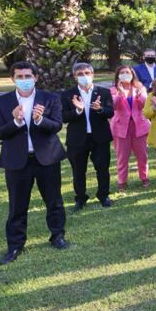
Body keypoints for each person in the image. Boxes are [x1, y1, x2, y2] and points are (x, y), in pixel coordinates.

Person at [0, 61, 70, 264]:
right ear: (13, 79)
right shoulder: (0, 102)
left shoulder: (50, 98)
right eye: (20, 76)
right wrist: (16, 121)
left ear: (36, 77)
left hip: (47, 159)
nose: (24, 80)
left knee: (54, 201)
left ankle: (57, 236)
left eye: (28, 76)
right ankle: (15, 246)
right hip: (17, 162)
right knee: (17, 205)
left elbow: (57, 125)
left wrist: (39, 120)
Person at [61, 62, 114, 210]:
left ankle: (103, 195)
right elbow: (63, 117)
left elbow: (110, 112)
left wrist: (100, 109)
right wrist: (78, 111)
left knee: (103, 168)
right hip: (77, 139)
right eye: (80, 74)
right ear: (75, 77)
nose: (84, 76)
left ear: (92, 75)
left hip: (100, 137)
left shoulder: (103, 92)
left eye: (86, 73)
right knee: (78, 171)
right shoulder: (68, 94)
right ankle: (80, 198)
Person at [110, 65, 151, 190]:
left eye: (127, 72)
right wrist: (120, 94)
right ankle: (122, 181)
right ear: (118, 76)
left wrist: (140, 95)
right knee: (122, 156)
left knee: (142, 155)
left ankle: (144, 177)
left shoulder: (140, 87)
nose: (125, 74)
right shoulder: (113, 90)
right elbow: (114, 107)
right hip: (121, 127)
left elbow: (145, 105)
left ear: (132, 74)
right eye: (122, 72)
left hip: (139, 126)